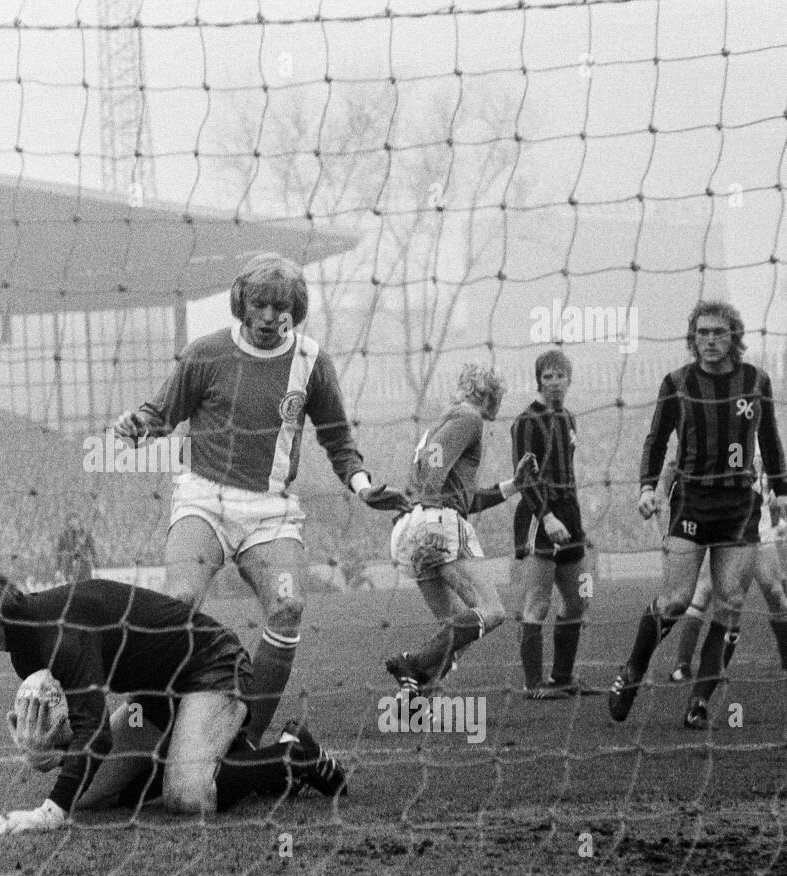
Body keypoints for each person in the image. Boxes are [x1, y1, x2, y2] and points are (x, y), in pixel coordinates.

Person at [114, 253, 403, 747]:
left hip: (270, 510)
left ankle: (245, 741)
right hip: (204, 499)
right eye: (260, 304)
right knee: (177, 603)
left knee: (288, 606)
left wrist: (361, 485)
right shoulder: (205, 354)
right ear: (242, 305)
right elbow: (162, 412)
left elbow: (338, 440)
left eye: (281, 306)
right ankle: (141, 726)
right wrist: (138, 425)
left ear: (296, 308)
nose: (270, 316)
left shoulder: (312, 363)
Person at [0, 558, 349, 841]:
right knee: (88, 799)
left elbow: (97, 733)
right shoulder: (24, 647)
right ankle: (195, 754)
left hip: (212, 665)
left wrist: (49, 811)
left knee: (187, 798)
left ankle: (293, 756)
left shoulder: (57, 632)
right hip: (154, 697)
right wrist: (51, 747)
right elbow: (85, 728)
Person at [609, 301, 787, 729]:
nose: (709, 340)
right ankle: (632, 671)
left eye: (718, 332)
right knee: (676, 599)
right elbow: (655, 442)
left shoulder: (755, 381)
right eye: (702, 333)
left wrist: (782, 492)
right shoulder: (676, 383)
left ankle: (700, 700)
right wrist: (648, 488)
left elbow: (772, 441)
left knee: (731, 600)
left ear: (733, 336)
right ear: (693, 337)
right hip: (691, 502)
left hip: (740, 507)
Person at [385, 364, 538, 698]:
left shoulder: (448, 419)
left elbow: (462, 496)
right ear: (487, 393)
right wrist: (432, 515)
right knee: (492, 611)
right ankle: (411, 662)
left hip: (416, 524)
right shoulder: (470, 418)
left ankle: (415, 698)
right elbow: (435, 464)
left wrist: (515, 485)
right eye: (499, 394)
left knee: (457, 629)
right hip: (437, 522)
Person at [511, 350, 600, 698]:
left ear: (569, 379)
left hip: (571, 517)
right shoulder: (525, 422)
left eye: (559, 376)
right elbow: (524, 477)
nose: (554, 382)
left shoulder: (569, 418)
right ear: (539, 381)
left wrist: (572, 518)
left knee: (579, 598)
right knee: (538, 603)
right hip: (539, 517)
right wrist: (546, 516)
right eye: (547, 376)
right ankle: (533, 685)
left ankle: (562, 678)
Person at [661, 454, 787, 681]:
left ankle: (722, 668)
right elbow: (675, 467)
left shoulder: (763, 437)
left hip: (760, 525)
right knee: (705, 589)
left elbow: (776, 476)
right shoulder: (719, 430)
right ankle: (682, 665)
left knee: (774, 591)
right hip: (727, 521)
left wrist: (779, 507)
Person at [54, 512, 97, 582]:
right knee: (72, 589)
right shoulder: (64, 535)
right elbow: (59, 552)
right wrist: (58, 569)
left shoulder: (85, 534)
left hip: (84, 565)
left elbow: (93, 550)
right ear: (68, 522)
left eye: (74, 519)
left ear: (78, 520)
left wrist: (96, 567)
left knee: (85, 586)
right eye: (70, 520)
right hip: (70, 566)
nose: (72, 522)